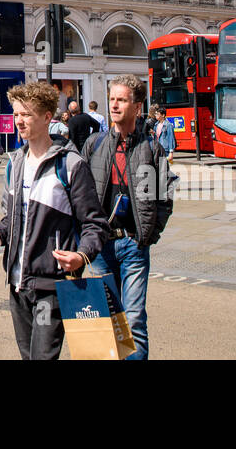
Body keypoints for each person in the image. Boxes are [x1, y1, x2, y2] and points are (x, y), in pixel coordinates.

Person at [0, 82, 107, 360]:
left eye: (26, 115)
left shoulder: (71, 165)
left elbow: (94, 223)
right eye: (16, 114)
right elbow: (13, 217)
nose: (19, 121)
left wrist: (81, 256)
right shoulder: (14, 162)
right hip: (17, 283)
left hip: (50, 285)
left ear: (47, 117)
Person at [81, 74, 172, 360]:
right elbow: (79, 193)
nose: (115, 105)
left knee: (133, 320)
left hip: (133, 244)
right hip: (100, 246)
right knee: (106, 320)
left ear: (137, 106)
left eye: (122, 100)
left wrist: (148, 234)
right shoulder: (94, 144)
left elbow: (164, 195)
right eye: (112, 99)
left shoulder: (151, 148)